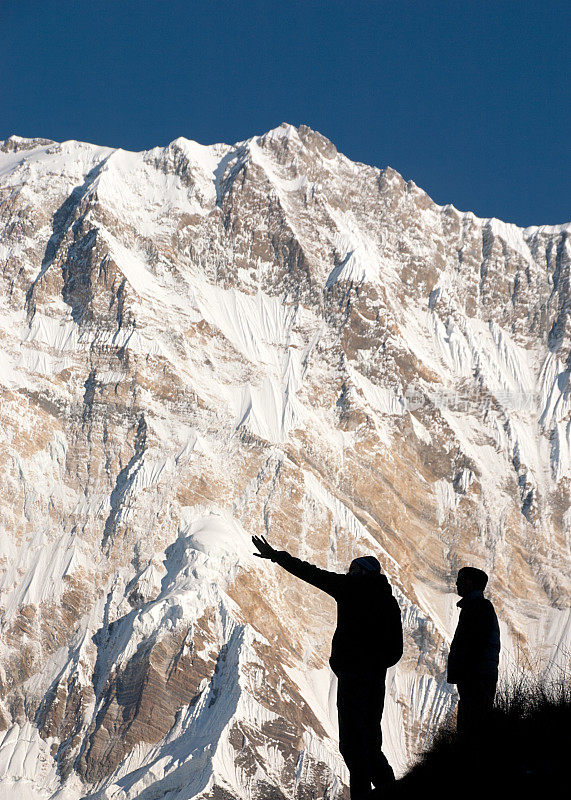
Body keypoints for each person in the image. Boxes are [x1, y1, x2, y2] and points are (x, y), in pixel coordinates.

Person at [252, 534, 402, 799]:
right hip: (375, 677)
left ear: (364, 573)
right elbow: (396, 649)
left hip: (352, 676)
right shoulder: (388, 601)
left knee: (352, 744)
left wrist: (277, 556)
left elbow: (311, 573)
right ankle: (388, 789)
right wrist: (377, 664)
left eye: (353, 569)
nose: (349, 572)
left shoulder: (349, 589)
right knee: (370, 738)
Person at [447, 566, 501, 735]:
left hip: (476, 675)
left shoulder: (478, 608)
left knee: (473, 722)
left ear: (471, 583)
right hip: (477, 674)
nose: (457, 583)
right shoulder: (476, 607)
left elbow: (474, 644)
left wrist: (464, 669)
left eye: (461, 579)